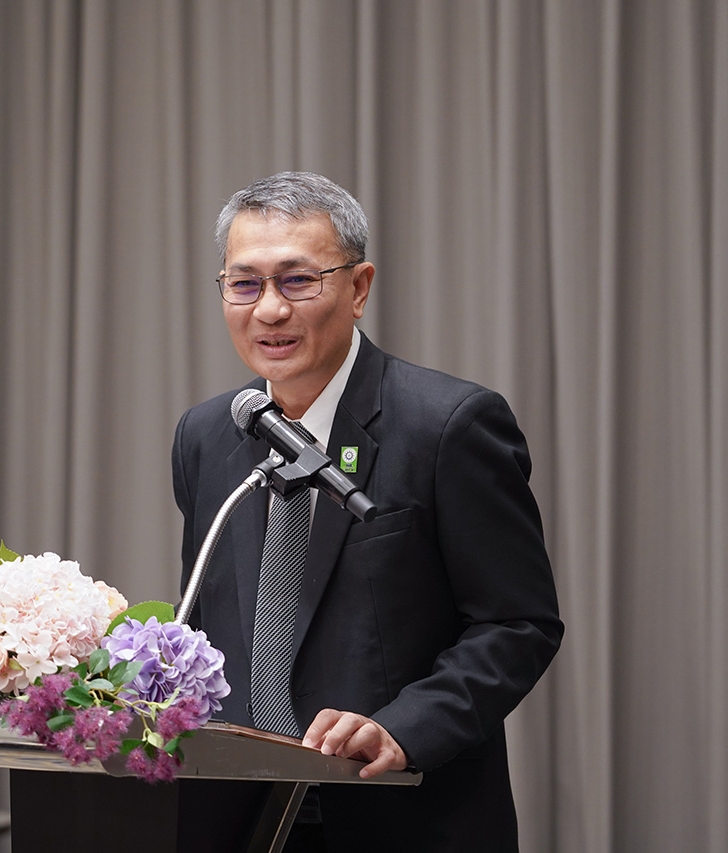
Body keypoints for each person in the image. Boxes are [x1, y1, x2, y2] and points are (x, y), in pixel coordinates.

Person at [171, 171, 563, 850]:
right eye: (245, 284)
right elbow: (202, 622)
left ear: (358, 288)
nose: (269, 309)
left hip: (394, 814)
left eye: (298, 280)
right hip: (240, 818)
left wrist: (402, 728)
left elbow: (517, 623)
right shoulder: (208, 434)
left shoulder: (448, 425)